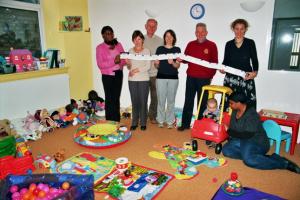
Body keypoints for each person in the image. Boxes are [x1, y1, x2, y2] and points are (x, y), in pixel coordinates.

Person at [222, 92, 300, 174]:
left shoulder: (252, 115)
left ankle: (284, 163)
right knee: (227, 150)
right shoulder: (235, 111)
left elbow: (247, 134)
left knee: (249, 161)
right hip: (242, 139)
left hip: (256, 142)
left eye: (231, 103)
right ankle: (257, 157)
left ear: (239, 103)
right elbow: (234, 129)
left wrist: (229, 131)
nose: (230, 105)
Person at [177, 23, 218, 131]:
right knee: (188, 100)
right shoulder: (190, 44)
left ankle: (200, 126)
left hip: (204, 79)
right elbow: (186, 59)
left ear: (206, 32)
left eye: (202, 31)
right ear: (195, 33)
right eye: (197, 32)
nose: (200, 34)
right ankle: (185, 124)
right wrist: (181, 59)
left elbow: (215, 63)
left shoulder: (212, 45)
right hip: (191, 77)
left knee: (203, 103)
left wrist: (210, 76)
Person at [222, 19, 258, 109]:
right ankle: (228, 123)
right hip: (231, 78)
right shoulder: (229, 44)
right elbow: (225, 60)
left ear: (245, 29)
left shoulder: (250, 43)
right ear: (233, 29)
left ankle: (247, 123)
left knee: (246, 103)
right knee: (229, 103)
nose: (239, 31)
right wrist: (222, 68)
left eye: (242, 29)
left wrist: (255, 72)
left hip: (246, 77)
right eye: (237, 28)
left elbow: (254, 59)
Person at [96, 26, 125, 122]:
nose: (110, 35)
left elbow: (123, 59)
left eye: (111, 33)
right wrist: (114, 61)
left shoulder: (118, 45)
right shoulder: (100, 48)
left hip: (118, 74)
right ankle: (109, 121)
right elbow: (100, 64)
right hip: (107, 76)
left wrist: (120, 62)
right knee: (109, 99)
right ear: (103, 35)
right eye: (107, 33)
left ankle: (116, 121)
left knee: (116, 98)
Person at [154, 29, 181, 129]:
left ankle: (170, 121)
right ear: (164, 38)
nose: (168, 38)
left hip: (173, 78)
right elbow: (157, 65)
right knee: (161, 100)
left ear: (173, 38)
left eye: (170, 36)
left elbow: (177, 66)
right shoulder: (160, 49)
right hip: (160, 77)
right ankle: (160, 120)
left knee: (171, 100)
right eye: (167, 36)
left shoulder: (177, 49)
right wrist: (156, 64)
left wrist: (172, 63)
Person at [125, 30, 151, 131]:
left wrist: (136, 70)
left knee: (143, 102)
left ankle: (143, 122)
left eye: (139, 39)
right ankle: (134, 122)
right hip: (132, 80)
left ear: (142, 40)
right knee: (134, 102)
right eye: (135, 39)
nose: (137, 41)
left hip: (143, 79)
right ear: (133, 40)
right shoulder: (130, 51)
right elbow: (129, 67)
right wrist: (128, 64)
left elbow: (147, 66)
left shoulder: (147, 51)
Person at [144, 18, 164, 124]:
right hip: (142, 74)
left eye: (154, 26)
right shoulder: (140, 39)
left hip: (155, 73)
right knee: (143, 96)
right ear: (145, 26)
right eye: (149, 26)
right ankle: (143, 116)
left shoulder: (161, 40)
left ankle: (152, 116)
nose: (151, 28)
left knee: (155, 96)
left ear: (156, 27)